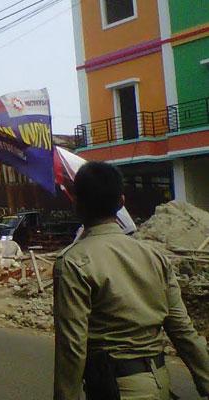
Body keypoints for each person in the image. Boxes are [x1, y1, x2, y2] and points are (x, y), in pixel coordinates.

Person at [53, 162, 209, 400]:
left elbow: (72, 348)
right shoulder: (154, 257)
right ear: (121, 202)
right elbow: (183, 331)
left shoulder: (74, 262)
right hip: (160, 383)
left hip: (116, 389)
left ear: (76, 202)